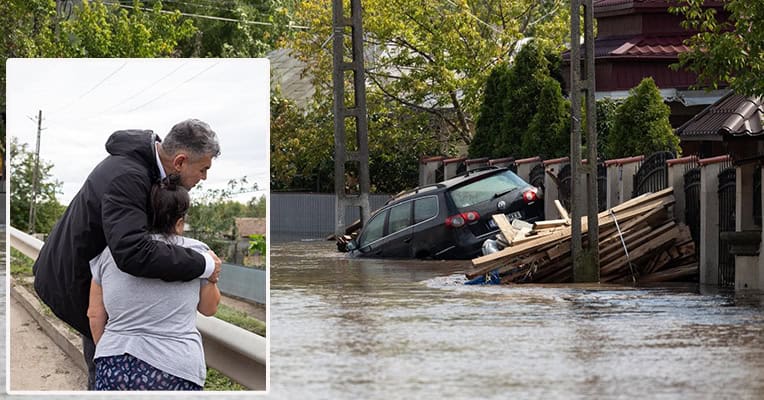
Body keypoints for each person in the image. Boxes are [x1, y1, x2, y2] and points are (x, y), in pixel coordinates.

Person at [32, 119, 222, 390]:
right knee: (102, 367)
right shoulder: (130, 176)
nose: (203, 178)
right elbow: (133, 252)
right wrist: (203, 264)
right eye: (203, 169)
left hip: (95, 279)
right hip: (76, 279)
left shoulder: (142, 169)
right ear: (180, 162)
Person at [88, 177, 220, 390]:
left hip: (113, 362)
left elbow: (94, 314)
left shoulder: (111, 253)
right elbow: (208, 308)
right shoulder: (199, 253)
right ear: (179, 223)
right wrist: (212, 277)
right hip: (174, 367)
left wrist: (110, 352)